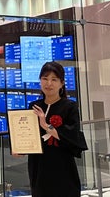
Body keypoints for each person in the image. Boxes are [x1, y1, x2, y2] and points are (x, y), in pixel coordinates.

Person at [27, 62, 86, 197]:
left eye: (54, 79)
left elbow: (72, 136)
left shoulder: (69, 107)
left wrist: (46, 125)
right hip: (38, 167)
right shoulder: (34, 106)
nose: (49, 83)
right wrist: (19, 148)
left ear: (62, 83)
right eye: (45, 78)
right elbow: (28, 134)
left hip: (62, 166)